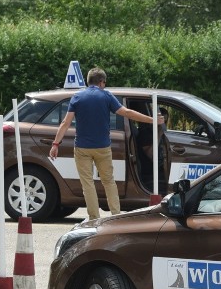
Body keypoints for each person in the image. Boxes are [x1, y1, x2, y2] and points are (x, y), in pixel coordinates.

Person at [49, 67, 163, 220]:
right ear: (102, 82)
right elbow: (127, 113)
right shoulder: (107, 96)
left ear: (89, 81)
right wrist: (152, 120)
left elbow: (65, 123)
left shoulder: (77, 97)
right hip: (102, 147)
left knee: (87, 183)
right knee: (108, 181)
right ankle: (115, 215)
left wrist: (55, 144)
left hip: (82, 148)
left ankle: (94, 217)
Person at [137, 107, 169, 194]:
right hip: (149, 173)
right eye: (161, 122)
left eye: (165, 122)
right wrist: (159, 134)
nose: (163, 125)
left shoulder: (164, 135)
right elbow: (151, 155)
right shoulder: (145, 134)